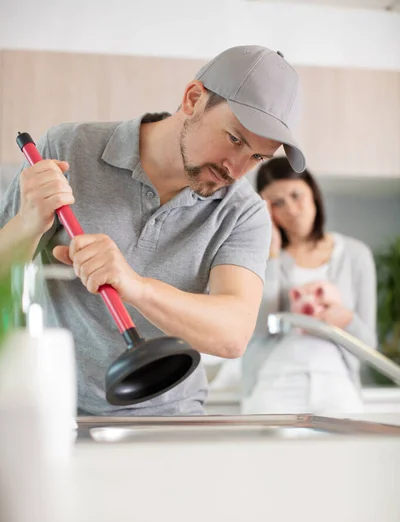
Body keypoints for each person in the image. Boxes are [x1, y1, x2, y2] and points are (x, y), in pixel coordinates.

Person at [0, 46, 306, 416]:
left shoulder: (243, 212)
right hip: (56, 411)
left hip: (171, 418)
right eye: (235, 139)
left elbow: (233, 333)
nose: (236, 170)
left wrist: (137, 286)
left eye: (257, 157)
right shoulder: (67, 149)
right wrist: (29, 223)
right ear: (193, 99)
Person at [241, 157, 377, 416]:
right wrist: (270, 252)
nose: (291, 210)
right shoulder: (263, 259)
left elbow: (368, 346)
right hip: (275, 379)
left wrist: (345, 319)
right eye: (277, 203)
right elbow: (257, 328)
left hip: (335, 381)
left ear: (313, 193)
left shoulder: (355, 255)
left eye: (296, 195)